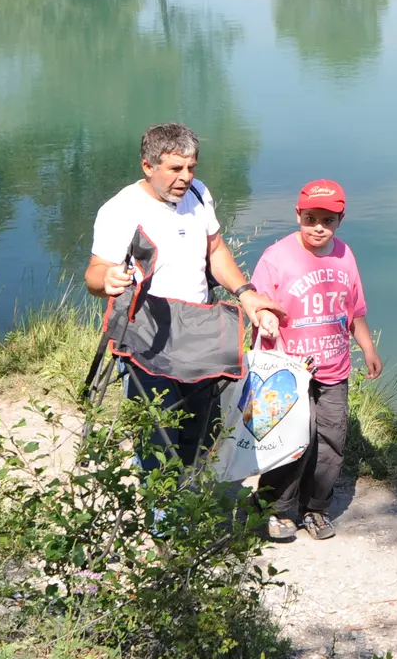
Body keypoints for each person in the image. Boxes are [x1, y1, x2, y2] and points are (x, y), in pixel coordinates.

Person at [85, 122, 283, 470]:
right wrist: (109, 278)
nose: (186, 176)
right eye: (176, 168)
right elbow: (94, 273)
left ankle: (192, 507)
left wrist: (246, 294)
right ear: (148, 166)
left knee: (202, 430)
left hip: (199, 328)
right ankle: (162, 518)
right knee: (158, 436)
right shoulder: (120, 210)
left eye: (191, 167)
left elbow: (216, 249)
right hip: (148, 334)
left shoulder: (198, 194)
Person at [249, 179, 382, 541]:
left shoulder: (345, 255)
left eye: (328, 219)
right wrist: (266, 317)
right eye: (310, 218)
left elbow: (354, 310)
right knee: (292, 439)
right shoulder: (276, 257)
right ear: (298, 215)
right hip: (286, 370)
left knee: (331, 439)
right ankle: (273, 508)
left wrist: (367, 347)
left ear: (340, 219)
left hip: (334, 368)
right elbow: (256, 304)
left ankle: (315, 509)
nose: (318, 227)